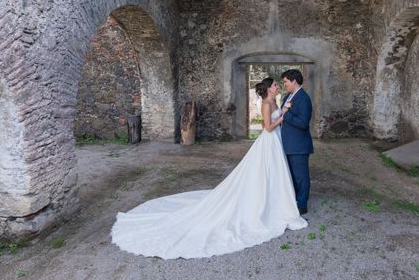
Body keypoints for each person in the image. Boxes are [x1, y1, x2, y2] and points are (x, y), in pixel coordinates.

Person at [111, 77, 307, 259]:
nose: (277, 87)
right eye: (274, 85)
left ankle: (276, 199)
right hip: (269, 141)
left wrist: (283, 110)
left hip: (277, 142)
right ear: (268, 89)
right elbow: (268, 127)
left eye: (277, 85)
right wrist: (284, 117)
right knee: (264, 172)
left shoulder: (275, 102)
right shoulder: (266, 104)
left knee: (274, 173)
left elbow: (278, 115)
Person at [280, 69, 314, 215]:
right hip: (288, 144)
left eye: (285, 82)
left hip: (299, 145)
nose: (284, 85)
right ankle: (294, 201)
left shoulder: (303, 98)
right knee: (292, 176)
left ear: (294, 81)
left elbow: (303, 123)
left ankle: (302, 205)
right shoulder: (288, 96)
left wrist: (286, 116)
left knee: (301, 176)